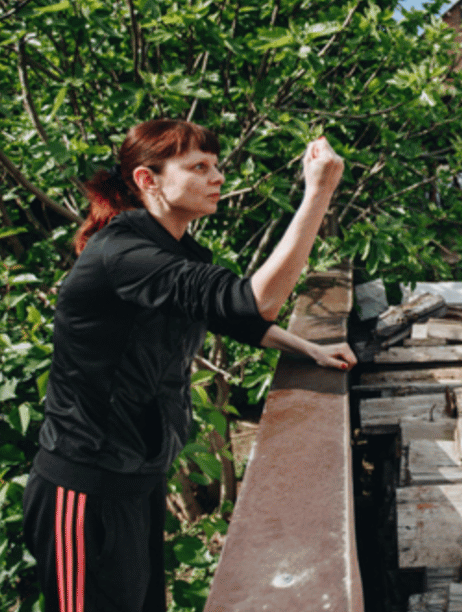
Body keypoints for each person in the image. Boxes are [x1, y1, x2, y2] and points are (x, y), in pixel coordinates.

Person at [22, 119, 354, 612]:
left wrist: (305, 348)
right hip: (84, 488)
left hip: (136, 479)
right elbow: (251, 302)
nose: (217, 176)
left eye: (217, 165)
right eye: (199, 167)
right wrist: (318, 194)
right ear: (146, 180)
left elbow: (228, 314)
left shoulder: (164, 249)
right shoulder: (124, 254)